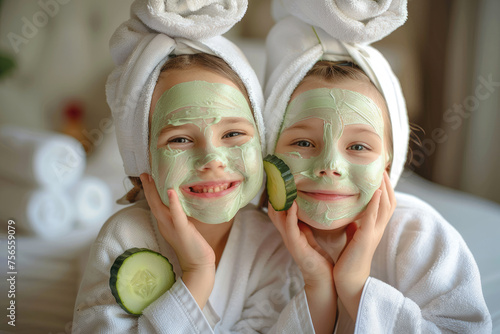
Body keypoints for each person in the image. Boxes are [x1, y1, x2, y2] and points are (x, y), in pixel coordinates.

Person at [72, 1, 308, 332]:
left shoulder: (269, 246)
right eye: (180, 140)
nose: (212, 158)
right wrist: (197, 274)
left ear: (262, 142)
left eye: (233, 134)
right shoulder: (124, 236)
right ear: (144, 158)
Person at [262, 13, 492, 334]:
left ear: (389, 160)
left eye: (358, 147)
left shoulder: (418, 235)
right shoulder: (255, 240)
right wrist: (318, 284)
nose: (330, 165)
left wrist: (355, 287)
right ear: (270, 152)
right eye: (303, 142)